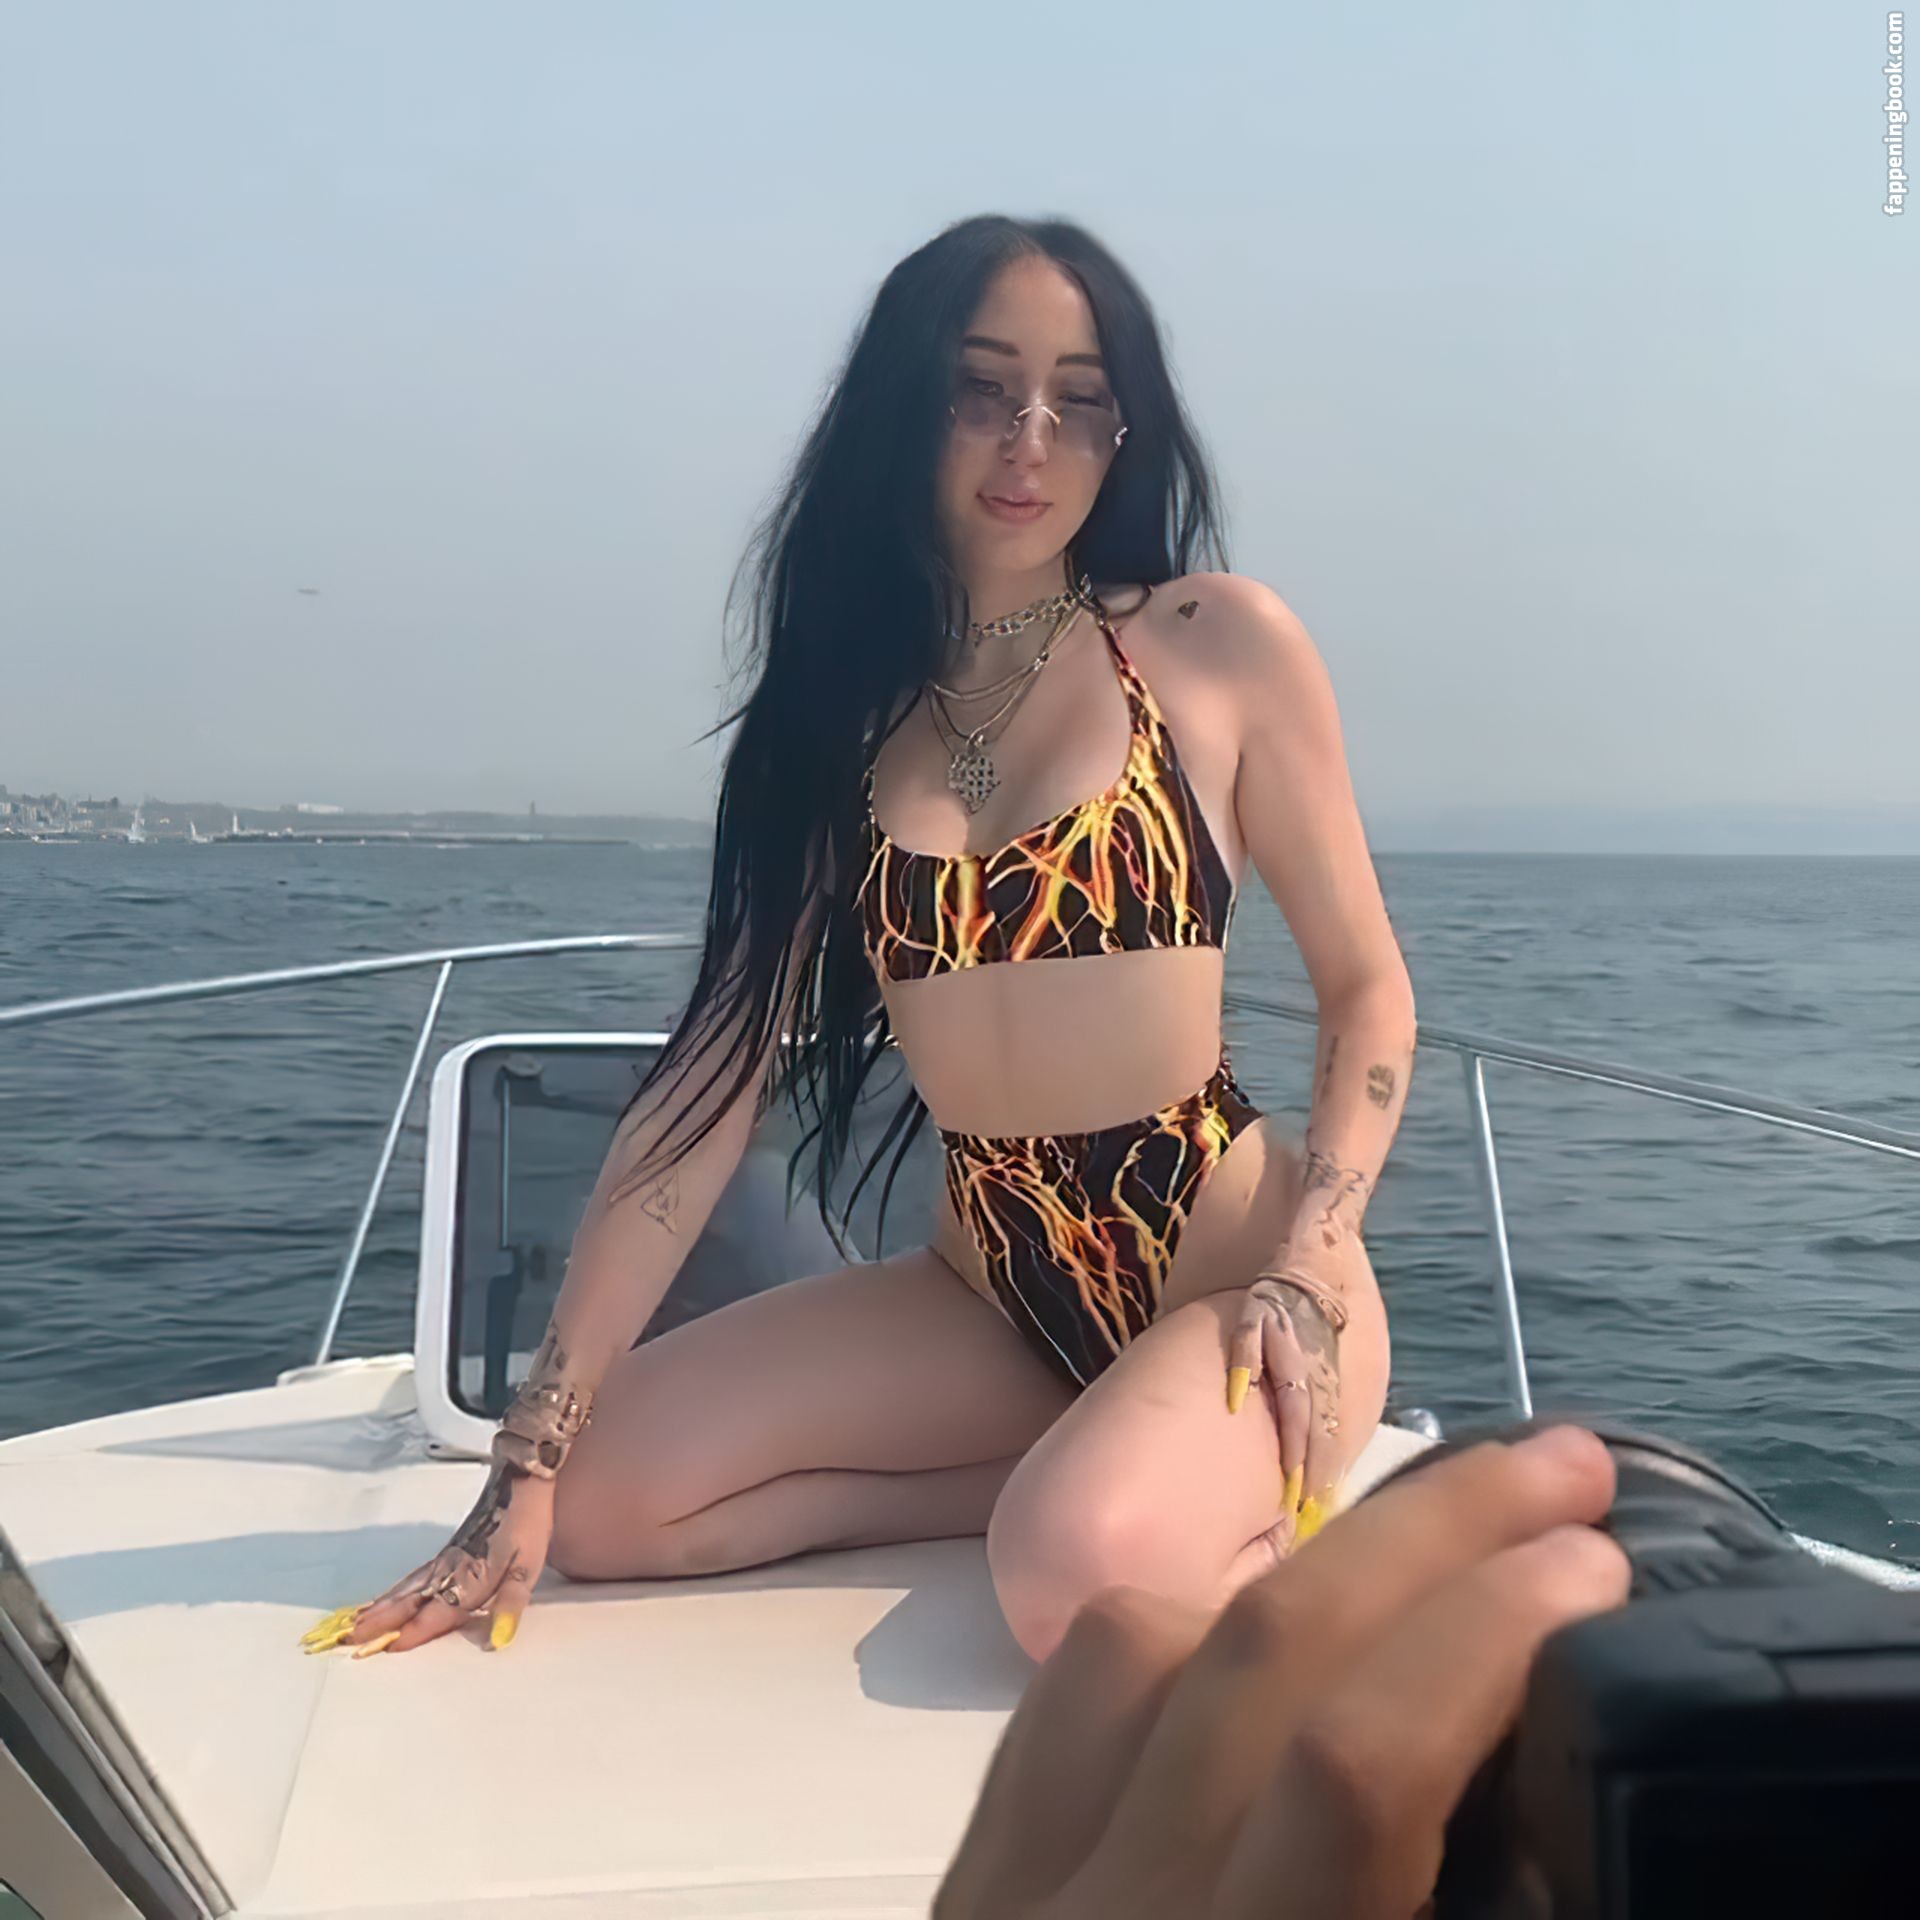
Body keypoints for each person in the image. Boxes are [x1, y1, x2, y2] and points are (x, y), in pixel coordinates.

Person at [302, 214, 1419, 1670]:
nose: (1030, 439)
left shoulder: (1214, 643)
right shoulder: (837, 722)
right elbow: (708, 1086)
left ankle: (1146, 1509)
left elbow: (1367, 991)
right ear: (904, 405)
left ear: (1123, 431)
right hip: (991, 1303)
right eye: (982, 389)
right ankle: (1064, 1473)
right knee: (608, 1502)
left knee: (1074, 1586)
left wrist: (1315, 1260)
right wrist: (530, 1449)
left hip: (1243, 1283)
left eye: (1079, 399)